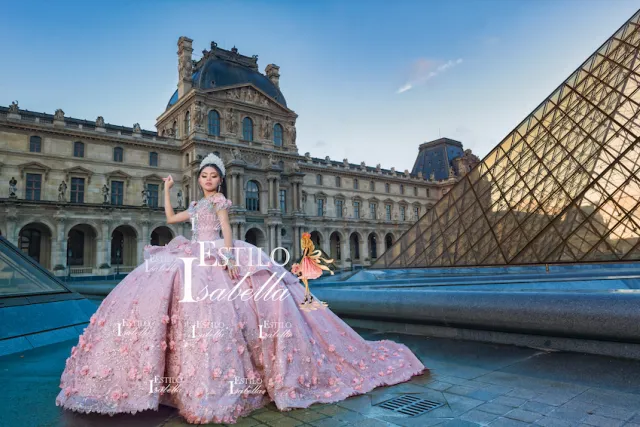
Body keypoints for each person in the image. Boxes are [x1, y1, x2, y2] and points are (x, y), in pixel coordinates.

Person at [55, 153, 428, 424]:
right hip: (192, 250)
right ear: (199, 179)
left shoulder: (218, 203)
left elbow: (229, 231)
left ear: (219, 181)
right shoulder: (199, 203)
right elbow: (170, 219)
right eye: (204, 175)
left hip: (216, 252)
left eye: (213, 176)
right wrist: (166, 189)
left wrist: (231, 257)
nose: (208, 179)